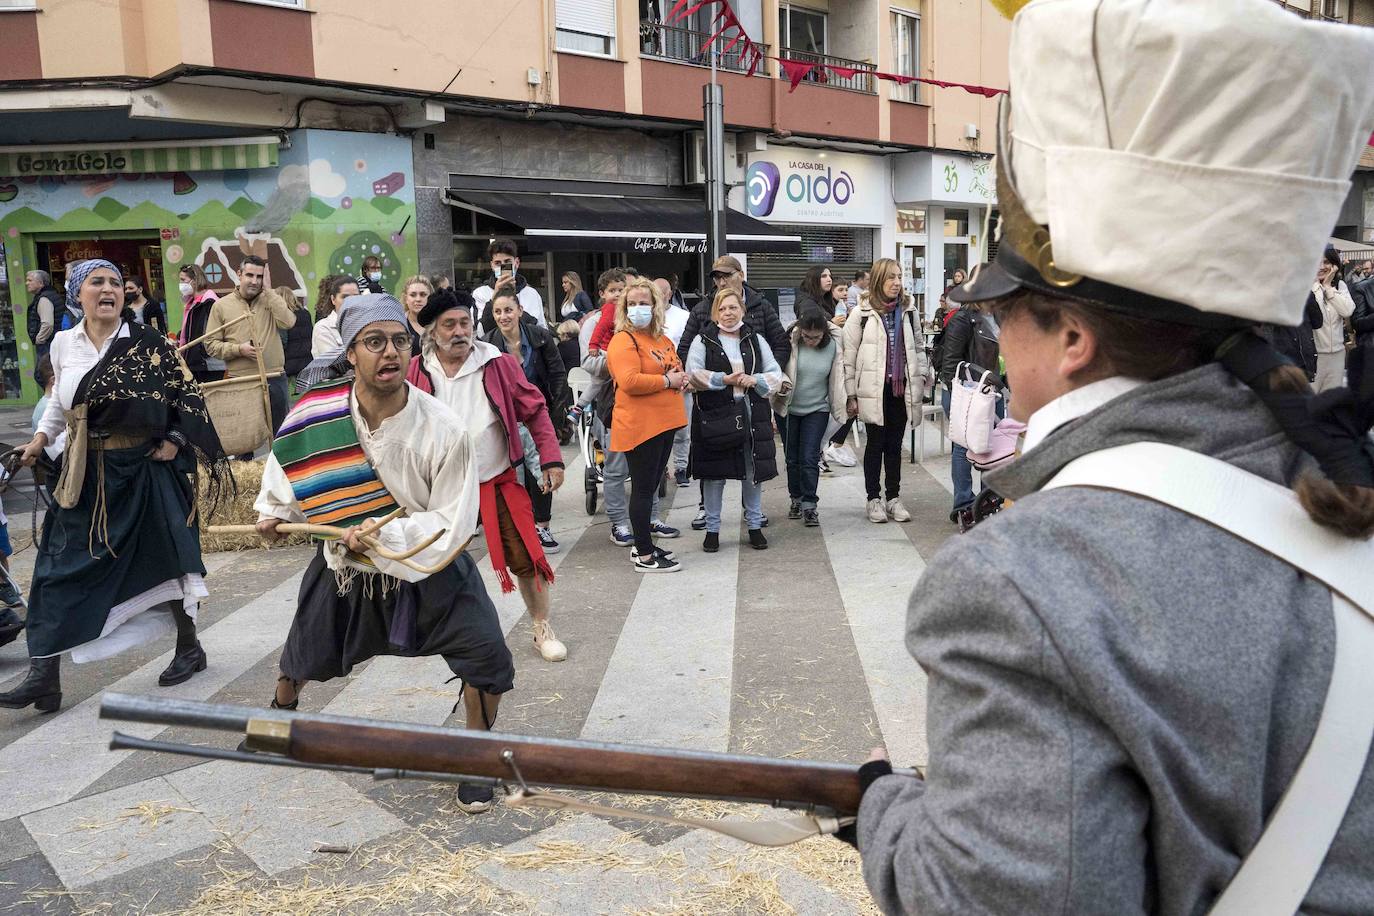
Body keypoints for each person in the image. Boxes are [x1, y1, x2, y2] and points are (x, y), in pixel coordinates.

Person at [852, 3, 1374, 912]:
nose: (993, 334)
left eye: (1001, 311)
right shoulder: (1336, 480)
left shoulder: (1019, 584)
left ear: (1072, 339)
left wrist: (885, 812)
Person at [255, 295, 513, 813]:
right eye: (374, 342)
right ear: (350, 353)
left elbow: (453, 516)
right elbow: (287, 472)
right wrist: (275, 514)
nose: (388, 352)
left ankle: (479, 755)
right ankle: (278, 717)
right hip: (349, 569)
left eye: (399, 341)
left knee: (485, 656)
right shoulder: (315, 417)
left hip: (426, 560)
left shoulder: (442, 427)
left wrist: (382, 534)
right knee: (304, 651)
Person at [0, 259, 231, 714]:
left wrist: (176, 440)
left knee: (167, 561)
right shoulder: (64, 344)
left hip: (143, 470)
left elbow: (188, 396)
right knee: (53, 571)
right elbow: (58, 405)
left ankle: (189, 647)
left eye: (115, 283)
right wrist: (39, 441)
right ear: (76, 294)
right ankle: (45, 677)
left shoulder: (148, 345)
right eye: (96, 282)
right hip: (84, 474)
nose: (108, 289)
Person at [406, 289, 569, 664]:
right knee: (430, 558)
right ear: (432, 331)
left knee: (527, 556)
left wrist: (551, 459)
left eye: (465, 322)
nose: (460, 331)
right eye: (450, 324)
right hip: (440, 488)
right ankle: (439, 628)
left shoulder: (497, 363)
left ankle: (542, 626)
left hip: (495, 479)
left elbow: (535, 408)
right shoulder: (416, 369)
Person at [678, 256, 790, 533]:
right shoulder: (704, 307)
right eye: (716, 277)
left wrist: (759, 377)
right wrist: (715, 380)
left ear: (740, 274)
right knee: (713, 464)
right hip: (716, 405)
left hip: (752, 400)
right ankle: (708, 514)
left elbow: (780, 344)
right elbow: (686, 351)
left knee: (752, 462)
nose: (720, 281)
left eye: (725, 275)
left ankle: (752, 516)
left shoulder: (760, 305)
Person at [607, 278, 689, 571]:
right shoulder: (623, 339)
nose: (638, 308)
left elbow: (674, 366)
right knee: (642, 490)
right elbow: (629, 382)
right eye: (632, 304)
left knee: (651, 487)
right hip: (641, 425)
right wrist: (668, 381)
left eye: (644, 303)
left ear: (656, 306)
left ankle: (644, 543)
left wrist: (681, 379)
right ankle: (644, 554)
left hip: (665, 422)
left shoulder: (661, 339)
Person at [841, 257, 930, 525]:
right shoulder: (862, 314)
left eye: (900, 276)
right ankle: (873, 499)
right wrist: (851, 394)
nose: (897, 282)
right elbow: (849, 354)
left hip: (899, 390)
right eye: (891, 277)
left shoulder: (908, 310)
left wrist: (922, 374)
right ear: (879, 280)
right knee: (875, 445)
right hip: (872, 390)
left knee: (894, 445)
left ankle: (893, 497)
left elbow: (918, 345)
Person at [484, 287, 568, 554]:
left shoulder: (540, 338)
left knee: (542, 472)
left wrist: (556, 414)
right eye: (498, 311)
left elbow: (557, 375)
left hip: (538, 417)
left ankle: (542, 526)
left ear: (520, 310)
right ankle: (519, 527)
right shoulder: (488, 345)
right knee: (514, 478)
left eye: (508, 310)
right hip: (506, 422)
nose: (503, 316)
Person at [203, 255, 296, 436]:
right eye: (250, 275)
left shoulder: (270, 299)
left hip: (274, 377)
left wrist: (269, 290)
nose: (255, 281)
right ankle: (246, 465)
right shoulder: (221, 306)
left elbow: (289, 322)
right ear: (239, 274)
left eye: (259, 277)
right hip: (241, 380)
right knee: (244, 438)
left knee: (281, 436)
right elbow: (210, 345)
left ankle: (277, 465)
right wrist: (239, 350)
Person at [937, 292, 1004, 531]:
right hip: (969, 393)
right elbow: (951, 361)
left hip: (993, 391)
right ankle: (964, 503)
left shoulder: (999, 315)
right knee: (964, 446)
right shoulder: (963, 319)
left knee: (994, 447)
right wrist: (962, 395)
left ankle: (988, 499)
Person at [774, 310, 846, 527]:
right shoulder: (791, 342)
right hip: (789, 407)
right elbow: (775, 366)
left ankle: (809, 505)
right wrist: (782, 381)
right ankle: (795, 499)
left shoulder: (834, 346)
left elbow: (840, 375)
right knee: (792, 457)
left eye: (815, 337)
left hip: (818, 408)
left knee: (809, 457)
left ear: (824, 333)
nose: (811, 341)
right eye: (807, 336)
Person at [656, 277, 694, 489]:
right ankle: (661, 467)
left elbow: (691, 347)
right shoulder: (648, 317)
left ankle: (681, 466)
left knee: (682, 427)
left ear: (669, 294)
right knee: (658, 429)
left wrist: (689, 375)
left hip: (680, 379)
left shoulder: (684, 317)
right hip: (657, 382)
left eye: (661, 292)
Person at [473, 238, 546, 332]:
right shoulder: (480, 293)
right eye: (497, 263)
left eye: (507, 262)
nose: (503, 267)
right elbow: (481, 331)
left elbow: (541, 328)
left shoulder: (532, 294)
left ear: (516, 263)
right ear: (492, 265)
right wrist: (495, 298)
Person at [1312, 246, 1355, 393]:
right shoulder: (1307, 288)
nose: (1322, 267)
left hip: (1337, 354)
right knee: (1309, 403)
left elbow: (1347, 310)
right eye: (1317, 262)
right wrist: (1318, 286)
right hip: (1315, 356)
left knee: (1331, 403)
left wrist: (1328, 287)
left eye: (1326, 262)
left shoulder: (1340, 286)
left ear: (1334, 265)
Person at [176, 264, 223, 384]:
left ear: (195, 280)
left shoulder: (210, 302)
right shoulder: (191, 303)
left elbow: (211, 332)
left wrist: (200, 353)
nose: (181, 284)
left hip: (208, 364)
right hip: (195, 362)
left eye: (183, 280)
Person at [24, 270, 61, 384]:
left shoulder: (44, 298)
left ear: (40, 283)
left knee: (42, 376)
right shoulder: (48, 295)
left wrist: (39, 339)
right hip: (52, 341)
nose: (27, 283)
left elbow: (47, 324)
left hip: (48, 343)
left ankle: (52, 400)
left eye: (30, 280)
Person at [311, 275, 360, 358]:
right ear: (333, 299)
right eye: (345, 297)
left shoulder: (364, 324)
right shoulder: (323, 327)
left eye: (356, 297)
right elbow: (335, 363)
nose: (351, 301)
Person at [278, 287, 314, 382]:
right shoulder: (305, 313)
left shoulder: (283, 317)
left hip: (289, 364)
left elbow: (283, 341)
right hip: (307, 360)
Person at [401, 275, 433, 352]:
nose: (418, 299)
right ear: (406, 299)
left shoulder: (439, 324)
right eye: (413, 295)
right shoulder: (399, 325)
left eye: (423, 295)